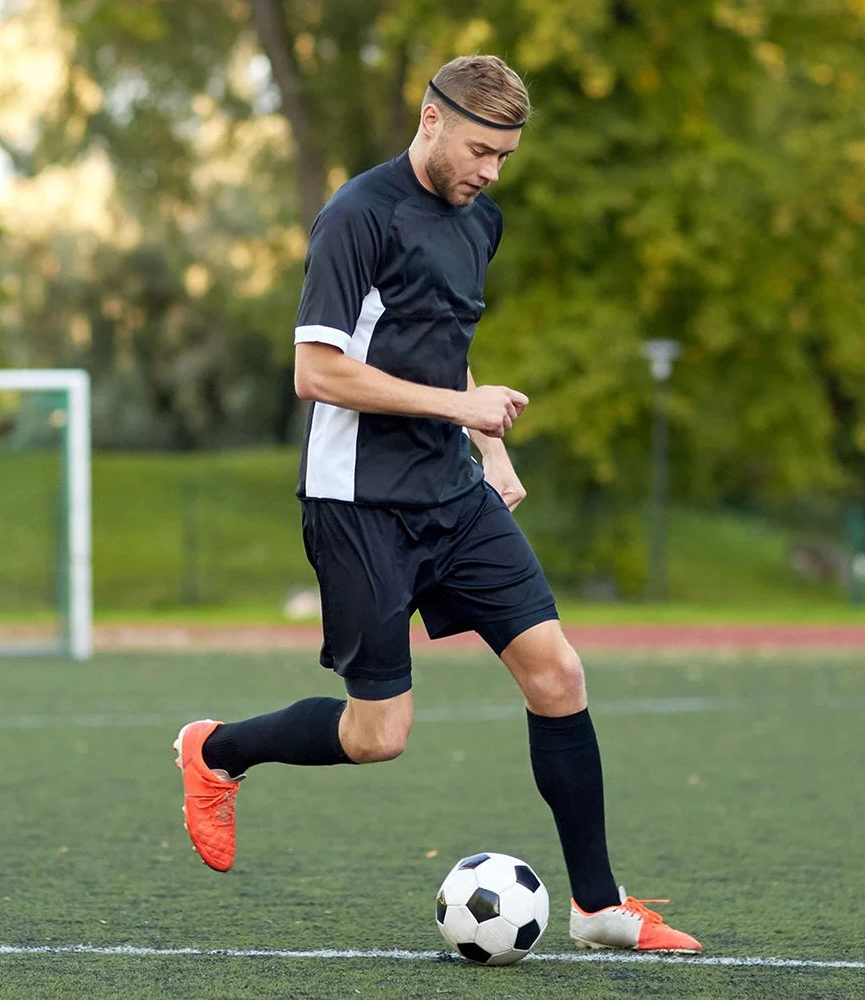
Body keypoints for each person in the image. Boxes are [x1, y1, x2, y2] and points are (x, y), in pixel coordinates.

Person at [173, 54, 701, 954]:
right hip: (360, 504)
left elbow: (441, 342)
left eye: (505, 155)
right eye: (480, 149)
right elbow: (317, 371)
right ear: (429, 121)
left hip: (453, 493)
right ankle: (216, 751)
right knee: (378, 736)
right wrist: (464, 410)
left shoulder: (478, 219)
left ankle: (601, 907)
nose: (491, 171)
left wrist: (488, 448)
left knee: (559, 675)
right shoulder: (356, 216)